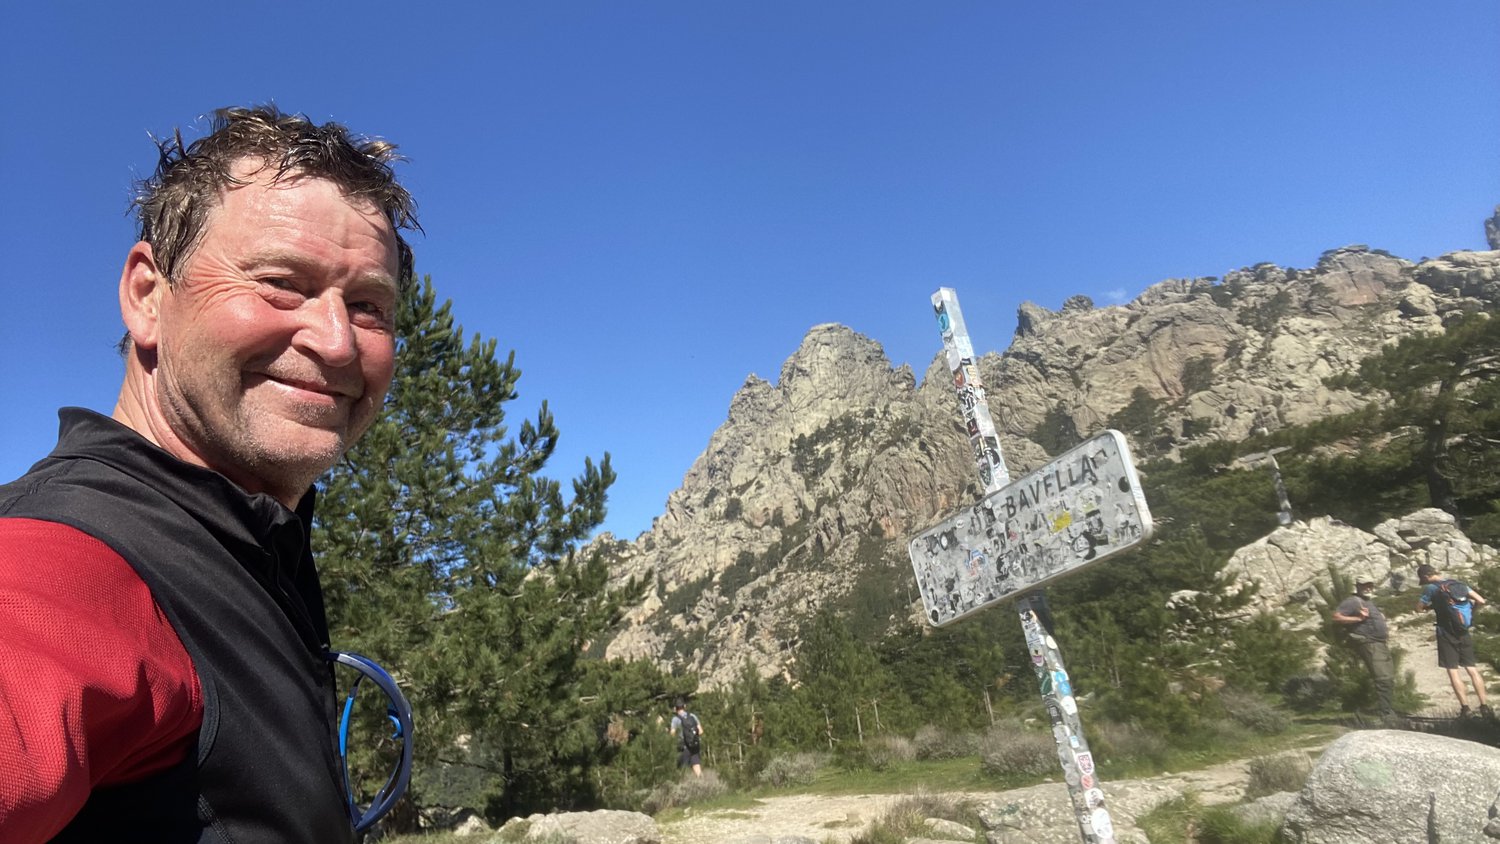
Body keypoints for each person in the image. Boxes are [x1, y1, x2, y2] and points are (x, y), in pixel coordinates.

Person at [0, 105, 419, 842]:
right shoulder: (67, 558)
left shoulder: (241, 551)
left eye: (367, 306)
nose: (337, 343)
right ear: (147, 297)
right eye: (280, 283)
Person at [1415, 564, 1492, 719]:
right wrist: (1471, 612)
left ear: (1425, 577)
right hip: (1463, 631)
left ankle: (1465, 709)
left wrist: (1429, 607)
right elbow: (1481, 600)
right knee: (1472, 669)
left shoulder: (1431, 588)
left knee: (1453, 670)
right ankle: (1484, 706)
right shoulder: (1459, 584)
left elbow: (1418, 608)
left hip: (1446, 633)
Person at [1330, 578, 1397, 719]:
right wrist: (1358, 619)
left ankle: (1387, 711)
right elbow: (1336, 617)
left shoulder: (1368, 602)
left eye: (1370, 585)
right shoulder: (1353, 601)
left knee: (1388, 677)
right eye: (1364, 585)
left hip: (1379, 643)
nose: (1368, 588)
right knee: (1383, 678)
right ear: (1358, 586)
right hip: (1369, 643)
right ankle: (1386, 715)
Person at [669, 700, 705, 777]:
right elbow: (701, 731)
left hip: (683, 747)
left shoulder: (675, 719)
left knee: (683, 770)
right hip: (695, 745)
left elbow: (672, 734)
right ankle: (703, 782)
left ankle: (684, 784)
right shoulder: (692, 716)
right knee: (696, 765)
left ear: (675, 708)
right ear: (684, 706)